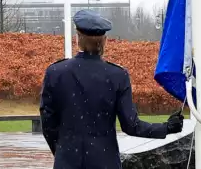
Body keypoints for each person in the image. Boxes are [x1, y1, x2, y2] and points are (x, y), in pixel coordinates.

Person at [39, 10, 184, 169]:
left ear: (78, 38)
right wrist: (167, 127)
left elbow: (48, 123)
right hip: (105, 162)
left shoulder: (56, 73)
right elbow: (131, 125)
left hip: (67, 162)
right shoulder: (117, 76)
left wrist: (63, 152)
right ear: (105, 41)